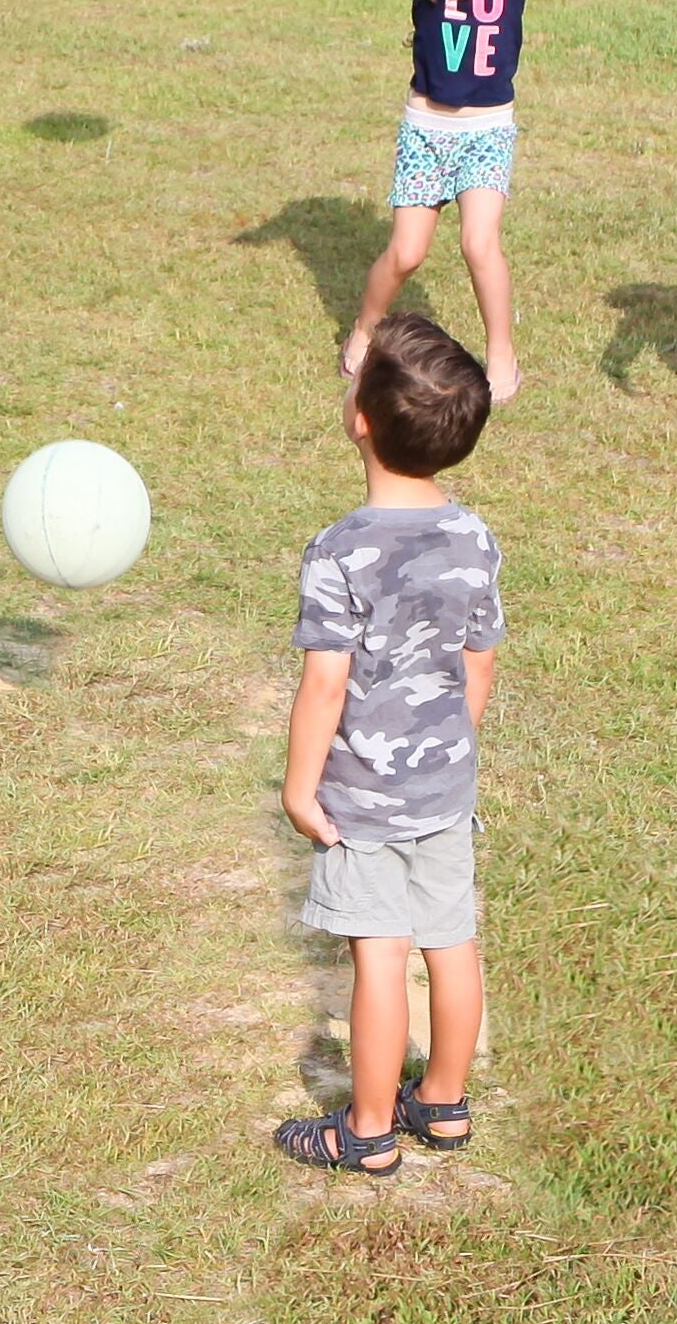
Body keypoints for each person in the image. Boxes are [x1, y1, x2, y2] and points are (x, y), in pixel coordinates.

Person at [274, 312, 504, 1180]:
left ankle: (366, 1129)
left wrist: (302, 790)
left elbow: (325, 684)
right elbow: (477, 663)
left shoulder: (340, 550)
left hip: (365, 795)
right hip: (445, 783)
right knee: (452, 939)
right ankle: (443, 1101)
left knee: (379, 952)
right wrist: (451, 751)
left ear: (362, 417)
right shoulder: (475, 538)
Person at [344, 0, 586, 402]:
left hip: (486, 130)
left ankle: (501, 354)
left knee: (481, 244)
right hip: (426, 127)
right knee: (407, 254)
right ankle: (363, 329)